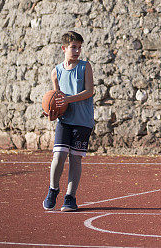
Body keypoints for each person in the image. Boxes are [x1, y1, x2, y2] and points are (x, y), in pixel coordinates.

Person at [42, 31, 95, 212]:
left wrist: (68, 100)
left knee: (75, 159)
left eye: (79, 47)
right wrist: (51, 111)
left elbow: (90, 92)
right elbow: (57, 98)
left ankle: (70, 197)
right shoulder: (56, 72)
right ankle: (53, 189)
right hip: (65, 121)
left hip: (83, 121)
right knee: (58, 156)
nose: (77, 51)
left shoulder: (85, 67)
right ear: (64, 48)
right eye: (73, 47)